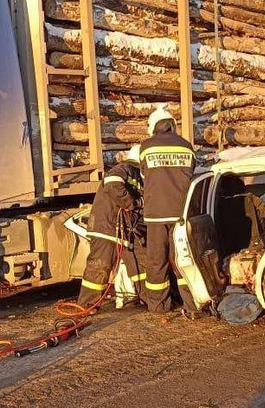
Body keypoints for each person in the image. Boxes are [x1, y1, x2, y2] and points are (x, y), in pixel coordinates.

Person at [139, 107, 196, 314]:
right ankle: (191, 304)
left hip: (156, 215)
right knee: (183, 258)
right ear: (172, 124)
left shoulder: (146, 147)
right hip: (181, 213)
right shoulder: (186, 146)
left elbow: (145, 176)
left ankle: (159, 306)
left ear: (153, 126)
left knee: (157, 260)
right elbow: (192, 173)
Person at [77, 145, 144, 307]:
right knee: (99, 266)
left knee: (139, 265)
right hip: (107, 227)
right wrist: (131, 203)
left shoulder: (137, 175)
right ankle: (86, 305)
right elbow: (112, 183)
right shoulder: (124, 169)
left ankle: (148, 299)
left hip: (123, 231)